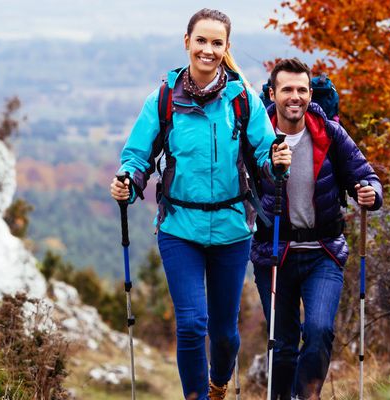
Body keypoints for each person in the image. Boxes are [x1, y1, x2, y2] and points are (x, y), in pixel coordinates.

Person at [109, 9, 292, 400]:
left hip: (231, 229)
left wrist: (275, 161)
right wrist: (129, 180)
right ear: (187, 42)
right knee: (192, 324)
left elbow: (264, 151)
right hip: (179, 228)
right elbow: (138, 155)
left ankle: (219, 383)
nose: (208, 50)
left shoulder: (241, 99)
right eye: (202, 41)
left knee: (224, 334)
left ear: (226, 49)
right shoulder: (163, 99)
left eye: (217, 43)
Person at [251, 58, 383, 400]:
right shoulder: (257, 135)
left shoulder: (330, 133)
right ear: (272, 93)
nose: (294, 97)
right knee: (281, 346)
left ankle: (305, 396)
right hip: (273, 253)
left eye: (301, 90)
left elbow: (365, 174)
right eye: (286, 90)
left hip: (323, 251)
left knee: (320, 331)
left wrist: (371, 193)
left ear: (310, 94)